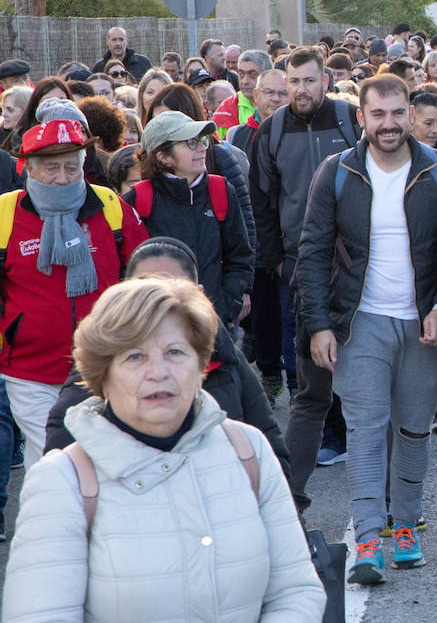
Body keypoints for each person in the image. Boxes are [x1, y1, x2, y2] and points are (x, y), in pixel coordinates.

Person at [1, 278, 325, 621]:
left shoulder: (248, 450)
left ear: (201, 365)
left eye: (175, 352)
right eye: (135, 356)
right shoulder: (62, 481)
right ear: (102, 374)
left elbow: (295, 590)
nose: (158, 372)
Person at [294, 73, 437, 584]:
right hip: (359, 321)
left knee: (413, 429)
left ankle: (404, 528)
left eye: (397, 113)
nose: (388, 125)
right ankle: (367, 538)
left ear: (411, 114)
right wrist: (319, 325)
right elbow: (314, 251)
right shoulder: (338, 172)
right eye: (378, 115)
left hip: (421, 325)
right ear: (361, 117)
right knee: (365, 430)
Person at [43, 236, 290, 479]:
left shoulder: (227, 357)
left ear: (198, 295)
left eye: (172, 288)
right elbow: (61, 447)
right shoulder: (105, 360)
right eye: (144, 289)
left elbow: (272, 457)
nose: (157, 303)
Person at [0, 117, 148, 468]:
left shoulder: (110, 205)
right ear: (29, 169)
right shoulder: (5, 214)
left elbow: (146, 269)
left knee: (106, 456)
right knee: (51, 458)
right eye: (51, 168)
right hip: (30, 368)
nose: (63, 177)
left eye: (71, 166)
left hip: (106, 361)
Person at [250, 46, 360, 507]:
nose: (300, 90)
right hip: (297, 265)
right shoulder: (270, 133)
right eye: (293, 82)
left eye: (309, 81)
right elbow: (262, 204)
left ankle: (358, 433)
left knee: (357, 350)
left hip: (357, 265)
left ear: (326, 82)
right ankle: (325, 441)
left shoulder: (352, 121)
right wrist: (278, 262)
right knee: (310, 359)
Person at [128, 112, 253, 329]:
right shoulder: (138, 199)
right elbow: (127, 267)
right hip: (157, 324)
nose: (202, 147)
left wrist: (227, 303)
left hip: (215, 321)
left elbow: (239, 254)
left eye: (202, 140)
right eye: (190, 143)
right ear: (163, 156)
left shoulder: (221, 190)